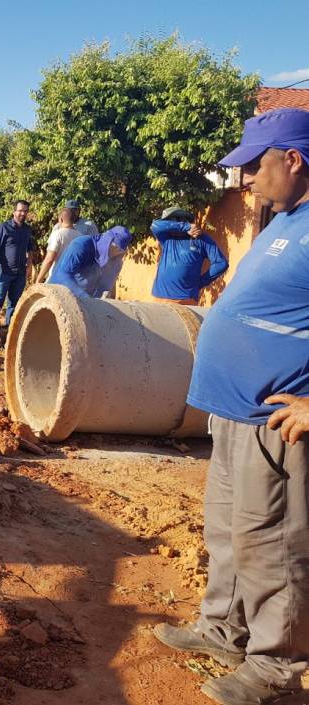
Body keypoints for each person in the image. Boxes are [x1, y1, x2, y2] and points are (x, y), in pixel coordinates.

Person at [152, 108, 309, 705]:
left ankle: (276, 669)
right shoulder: (284, 222)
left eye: (254, 166)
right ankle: (224, 629)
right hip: (231, 414)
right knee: (227, 533)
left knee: (271, 545)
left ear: (293, 160)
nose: (243, 180)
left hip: (274, 423)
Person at [151, 206, 229, 304]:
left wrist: (199, 283)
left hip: (186, 300)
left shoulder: (202, 239)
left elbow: (221, 263)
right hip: (159, 298)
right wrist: (186, 227)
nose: (172, 225)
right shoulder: (166, 238)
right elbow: (156, 225)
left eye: (177, 221)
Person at [47, 226, 132, 298]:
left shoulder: (115, 261)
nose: (115, 253)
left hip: (82, 303)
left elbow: (103, 288)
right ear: (107, 241)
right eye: (115, 247)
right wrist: (86, 298)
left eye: (120, 251)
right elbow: (62, 275)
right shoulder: (81, 245)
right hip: (55, 295)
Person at [0, 200, 34, 328]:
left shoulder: (27, 229)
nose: (22, 213)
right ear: (14, 211)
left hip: (20, 273)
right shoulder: (4, 227)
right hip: (3, 272)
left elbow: (30, 249)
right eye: (20, 210)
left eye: (25, 211)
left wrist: (29, 265)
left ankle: (8, 334)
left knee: (14, 304)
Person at [36, 206, 81, 284]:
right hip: (74, 282)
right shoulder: (81, 237)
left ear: (61, 219)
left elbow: (49, 259)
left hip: (56, 280)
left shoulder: (57, 235)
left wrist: (38, 280)